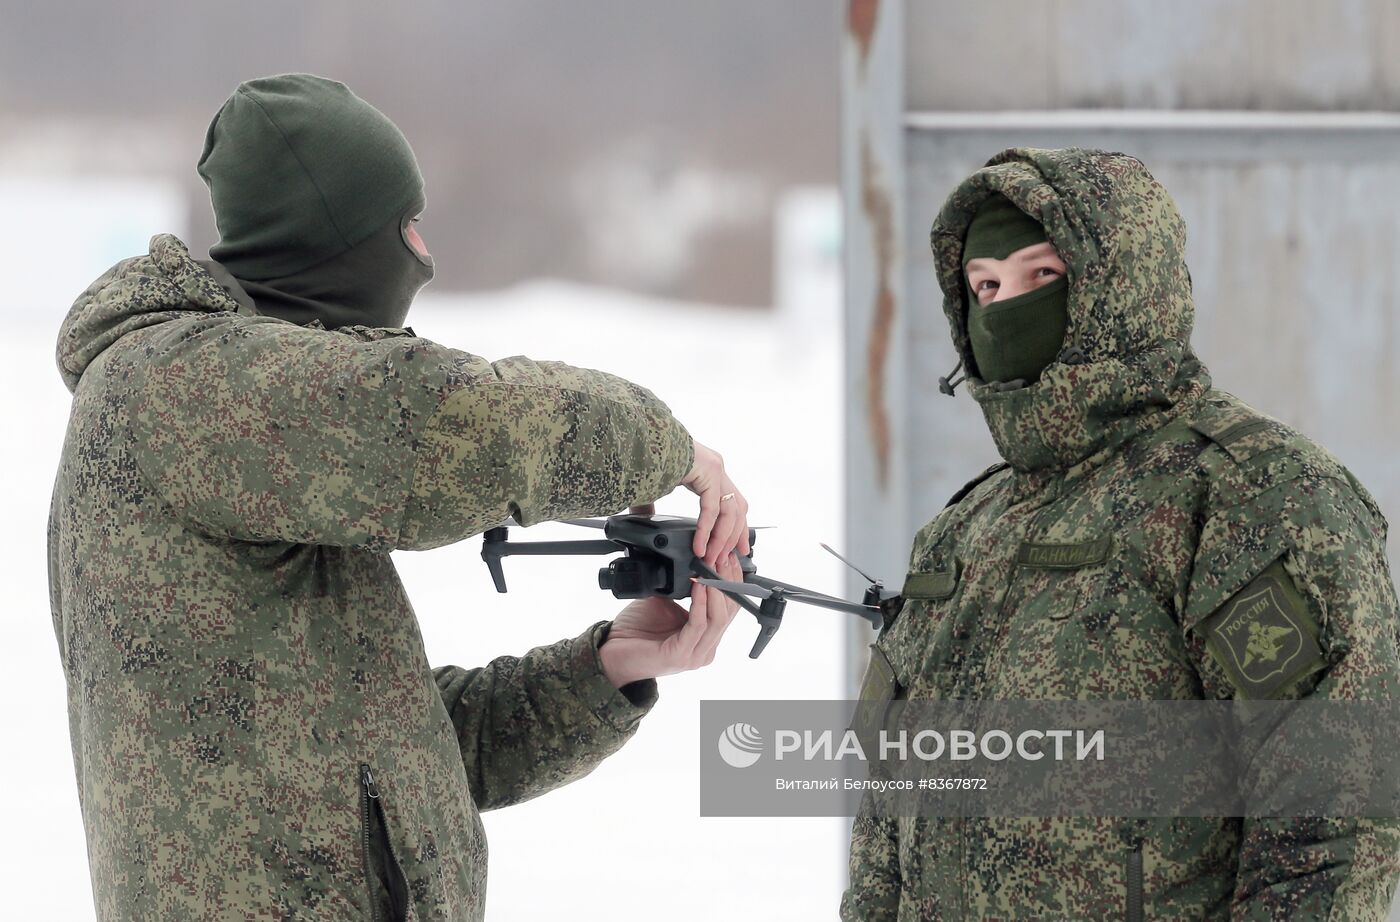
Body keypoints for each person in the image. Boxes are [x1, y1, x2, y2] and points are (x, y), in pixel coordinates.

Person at [48, 73, 751, 922]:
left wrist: (611, 665)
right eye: (405, 227)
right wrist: (673, 451)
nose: (424, 254)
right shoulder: (182, 387)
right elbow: (453, 420)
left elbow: (385, 758)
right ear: (327, 239)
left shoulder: (255, 443)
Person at [840, 147, 1400, 920]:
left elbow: (1334, 828)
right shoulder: (965, 529)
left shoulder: (1251, 493)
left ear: (1121, 282)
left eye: (1042, 275)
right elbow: (885, 817)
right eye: (985, 286)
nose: (1005, 308)